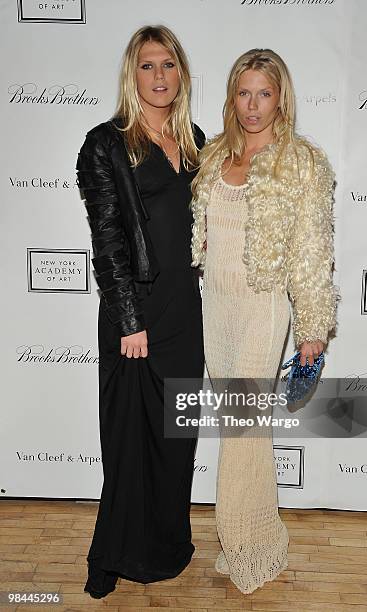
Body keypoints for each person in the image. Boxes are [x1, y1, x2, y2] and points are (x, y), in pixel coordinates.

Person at [191, 49, 338, 594]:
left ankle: (246, 543)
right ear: (232, 97)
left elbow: (312, 250)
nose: (253, 106)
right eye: (244, 93)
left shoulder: (300, 162)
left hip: (263, 306)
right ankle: (260, 537)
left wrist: (313, 328)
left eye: (264, 94)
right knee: (241, 426)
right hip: (217, 306)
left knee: (244, 427)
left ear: (281, 99)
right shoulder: (212, 157)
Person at [76, 25, 205, 599]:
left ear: (181, 74)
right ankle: (112, 557)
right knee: (129, 441)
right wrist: (129, 320)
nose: (159, 76)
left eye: (169, 64)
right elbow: (108, 240)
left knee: (176, 441)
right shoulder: (106, 143)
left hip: (186, 313)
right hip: (138, 316)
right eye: (148, 65)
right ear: (134, 74)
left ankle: (167, 545)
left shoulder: (196, 139)